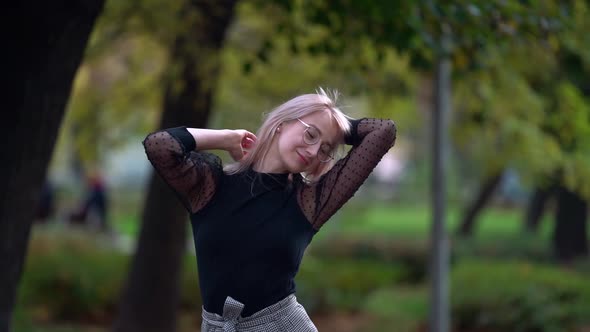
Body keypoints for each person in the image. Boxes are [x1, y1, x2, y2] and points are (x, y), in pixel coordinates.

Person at [143, 89, 396, 331]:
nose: (313, 151)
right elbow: (160, 145)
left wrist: (335, 125)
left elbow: (383, 131)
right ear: (282, 123)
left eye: (325, 148)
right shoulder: (211, 187)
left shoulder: (309, 201)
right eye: (311, 134)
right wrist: (227, 138)